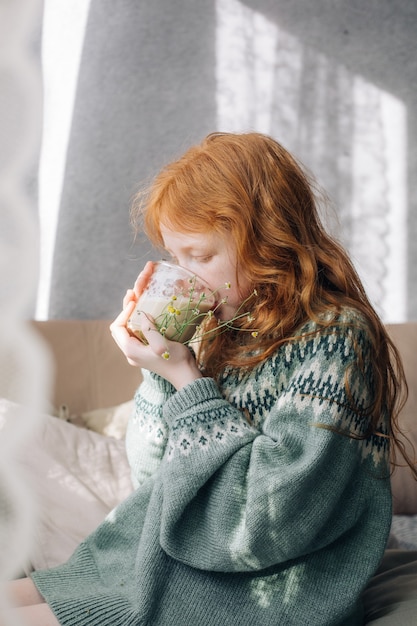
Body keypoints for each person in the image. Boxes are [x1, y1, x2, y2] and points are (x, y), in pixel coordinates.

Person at [4, 132, 417, 625]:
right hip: (167, 560)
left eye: (200, 256)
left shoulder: (335, 337)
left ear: (267, 240)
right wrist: (158, 373)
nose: (188, 276)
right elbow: (156, 483)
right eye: (177, 257)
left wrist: (187, 384)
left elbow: (265, 524)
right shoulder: (219, 324)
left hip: (258, 593)